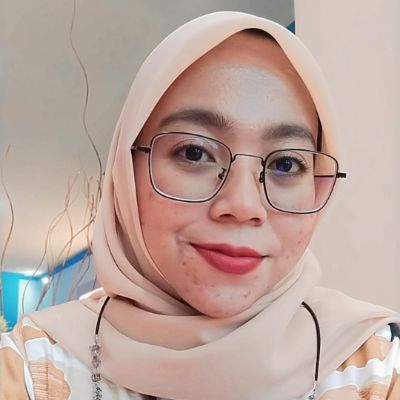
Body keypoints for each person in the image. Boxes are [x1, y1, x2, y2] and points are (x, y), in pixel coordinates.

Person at [1, 11, 399, 400]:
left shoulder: (376, 367)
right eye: (194, 152)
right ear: (126, 171)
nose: (243, 205)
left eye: (285, 164)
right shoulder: (32, 367)